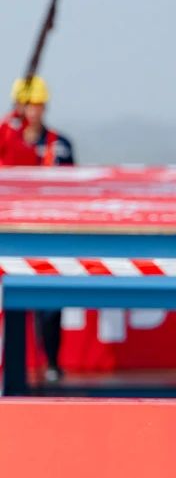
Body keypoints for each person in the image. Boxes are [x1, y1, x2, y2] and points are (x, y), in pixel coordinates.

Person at [1, 75, 75, 382]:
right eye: (27, 105)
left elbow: (71, 189)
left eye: (37, 105)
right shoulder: (5, 138)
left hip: (48, 236)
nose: (32, 111)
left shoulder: (59, 145)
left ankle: (52, 364)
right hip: (9, 236)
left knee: (50, 303)